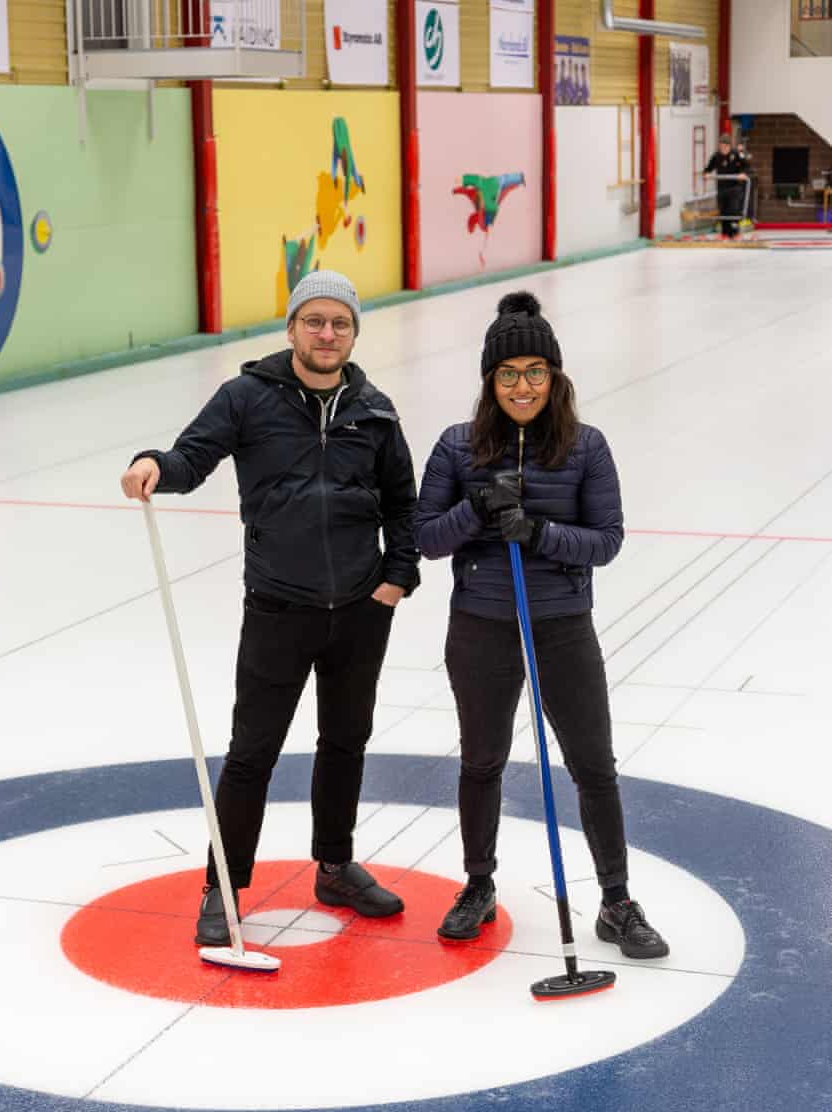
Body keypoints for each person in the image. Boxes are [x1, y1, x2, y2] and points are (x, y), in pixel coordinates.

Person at [120, 269, 420, 944]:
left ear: (353, 333)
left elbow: (404, 501)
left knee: (345, 741)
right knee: (253, 752)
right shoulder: (247, 398)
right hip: (279, 607)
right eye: (314, 321)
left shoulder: (374, 408)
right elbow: (191, 458)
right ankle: (221, 887)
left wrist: (396, 577)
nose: (326, 333)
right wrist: (153, 465)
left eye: (339, 323)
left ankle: (335, 866)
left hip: (361, 609)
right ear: (291, 329)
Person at [414, 292, 669, 960]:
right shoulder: (455, 446)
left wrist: (542, 533)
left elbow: (607, 540)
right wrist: (474, 511)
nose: (521, 385)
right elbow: (425, 538)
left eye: (534, 372)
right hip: (481, 624)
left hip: (561, 626)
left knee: (594, 764)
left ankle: (616, 900)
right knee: (482, 759)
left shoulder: (586, 448)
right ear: (488, 382)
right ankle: (478, 886)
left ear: (554, 377)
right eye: (507, 374)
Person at [704, 134, 748, 239]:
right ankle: (725, 234)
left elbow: (745, 166)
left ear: (729, 146)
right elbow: (709, 168)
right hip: (722, 187)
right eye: (721, 146)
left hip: (734, 187)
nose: (723, 149)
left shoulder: (736, 154)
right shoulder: (716, 156)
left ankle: (735, 232)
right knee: (723, 210)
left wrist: (742, 173)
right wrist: (706, 173)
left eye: (725, 146)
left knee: (733, 210)